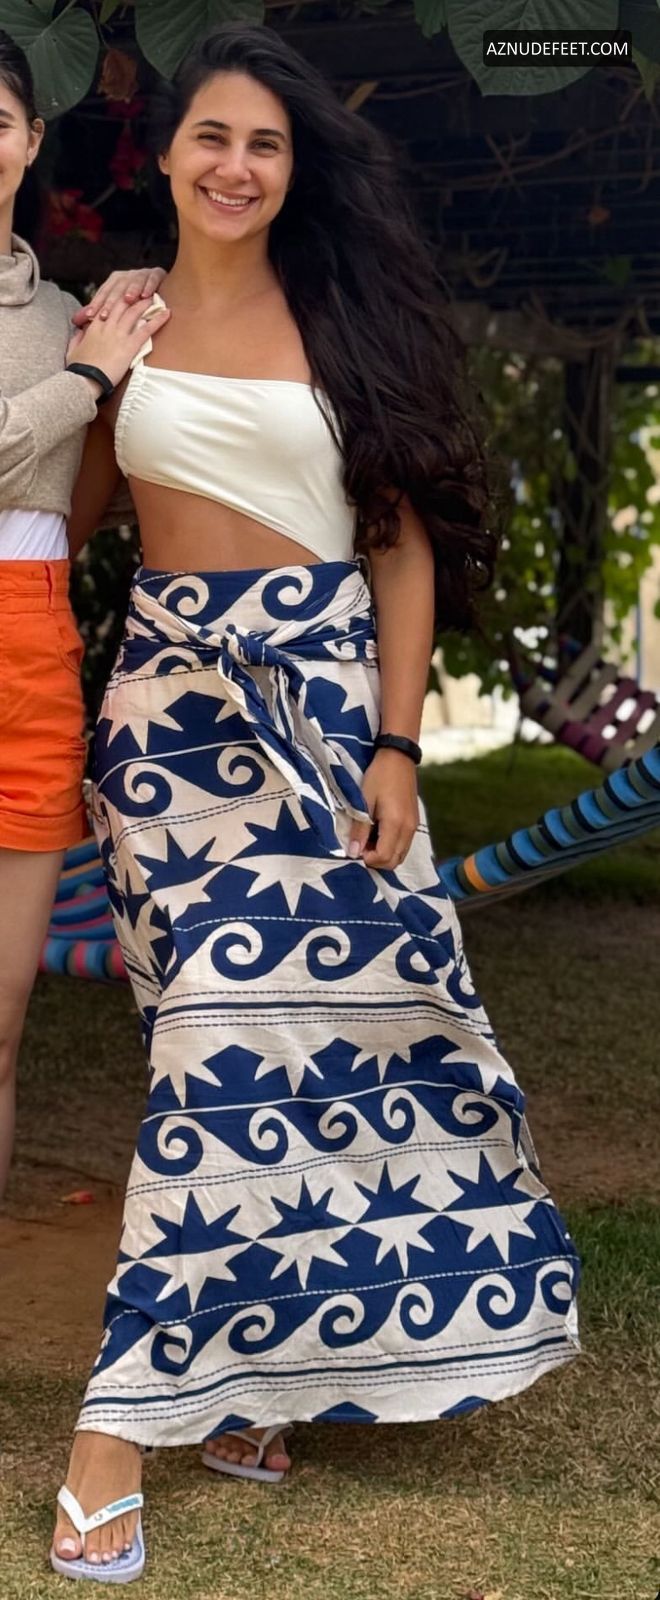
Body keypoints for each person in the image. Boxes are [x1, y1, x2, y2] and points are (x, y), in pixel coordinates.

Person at [50, 24, 579, 1582]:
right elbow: (76, 518)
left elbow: (398, 549)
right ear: (166, 155)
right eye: (212, 138)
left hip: (331, 714)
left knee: (326, 1047)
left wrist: (397, 748)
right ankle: (154, 1420)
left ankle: (210, 1403)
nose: (235, 166)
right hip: (169, 729)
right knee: (215, 1045)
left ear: (294, 171)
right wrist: (89, 376)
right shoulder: (124, 318)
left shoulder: (343, 317)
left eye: (265, 145)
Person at [0, 32, 170, 1199]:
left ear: (29, 141)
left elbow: (87, 498)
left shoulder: (71, 316)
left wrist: (146, 295)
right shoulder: (81, 357)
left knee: (1, 1027)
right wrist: (87, 383)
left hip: (34, 644)